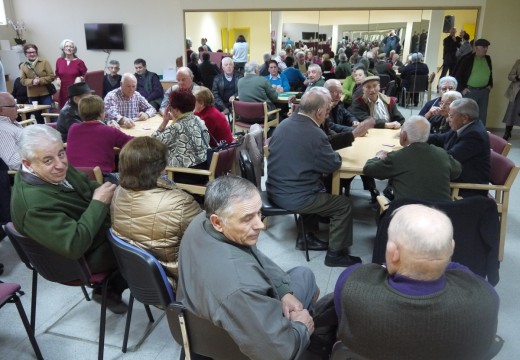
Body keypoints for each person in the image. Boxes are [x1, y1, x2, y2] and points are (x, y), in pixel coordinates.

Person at [177, 175, 318, 359]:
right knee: (305, 276)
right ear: (217, 222)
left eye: (259, 213)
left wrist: (283, 291)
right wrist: (301, 327)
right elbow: (279, 354)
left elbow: (252, 253)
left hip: (203, 321)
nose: (260, 225)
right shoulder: (240, 287)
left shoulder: (200, 222)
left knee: (297, 278)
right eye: (247, 218)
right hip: (237, 342)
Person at [334, 204, 499, 360]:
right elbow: (461, 271)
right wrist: (436, 256)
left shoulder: (352, 283)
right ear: (451, 249)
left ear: (393, 252)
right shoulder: (485, 297)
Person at [10, 124, 128, 314]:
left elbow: (86, 186)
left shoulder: (53, 170)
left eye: (61, 153)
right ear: (28, 163)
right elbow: (74, 245)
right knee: (143, 242)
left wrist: (108, 194)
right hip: (77, 260)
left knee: (143, 222)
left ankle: (112, 287)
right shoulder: (33, 205)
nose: (60, 164)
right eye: (48, 160)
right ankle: (160, 295)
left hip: (92, 236)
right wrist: (99, 204)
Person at [267, 87, 362, 267]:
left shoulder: (283, 124)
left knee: (316, 182)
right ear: (319, 112)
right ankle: (335, 255)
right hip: (293, 196)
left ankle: (307, 237)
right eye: (327, 111)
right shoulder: (315, 133)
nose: (328, 115)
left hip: (274, 189)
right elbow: (333, 164)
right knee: (343, 205)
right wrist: (338, 156)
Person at [111, 137, 201, 288]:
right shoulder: (180, 203)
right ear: (160, 168)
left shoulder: (118, 192)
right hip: (180, 285)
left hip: (141, 281)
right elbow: (208, 237)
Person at [364, 115, 461, 201]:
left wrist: (378, 157)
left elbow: (369, 169)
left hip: (408, 215)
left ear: (404, 136)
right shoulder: (442, 154)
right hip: (442, 214)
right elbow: (457, 171)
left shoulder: (397, 157)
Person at [428, 98, 490, 197]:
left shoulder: (474, 135)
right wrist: (418, 136)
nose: (448, 119)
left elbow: (450, 158)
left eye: (451, 116)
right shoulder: (463, 125)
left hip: (467, 188)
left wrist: (424, 152)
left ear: (465, 118)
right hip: (457, 177)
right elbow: (440, 138)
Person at [66, 95, 133, 182]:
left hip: (72, 178)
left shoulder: (73, 128)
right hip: (100, 179)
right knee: (133, 176)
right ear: (102, 114)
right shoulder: (109, 131)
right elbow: (134, 143)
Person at [152, 90, 209, 182]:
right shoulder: (198, 120)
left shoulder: (177, 127)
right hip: (204, 169)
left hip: (185, 174)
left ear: (177, 109)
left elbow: (152, 143)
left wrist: (164, 122)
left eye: (170, 107)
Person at [453, 38, 493, 127]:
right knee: (468, 115)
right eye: (483, 47)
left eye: (486, 47)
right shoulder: (467, 59)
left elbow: (490, 73)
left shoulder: (488, 59)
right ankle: (467, 133)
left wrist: (490, 85)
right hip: (470, 91)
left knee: (482, 115)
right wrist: (462, 88)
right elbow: (458, 75)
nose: (486, 49)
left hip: (484, 91)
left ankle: (480, 134)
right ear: (476, 48)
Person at [20, 43, 55, 124]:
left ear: (36, 52)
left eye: (34, 52)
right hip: (32, 95)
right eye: (29, 52)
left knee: (49, 114)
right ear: (25, 54)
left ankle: (52, 130)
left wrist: (40, 80)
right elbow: (22, 80)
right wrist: (32, 81)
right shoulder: (23, 66)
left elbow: (51, 76)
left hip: (45, 93)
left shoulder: (44, 62)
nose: (32, 54)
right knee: (37, 116)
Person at [55, 39, 87, 109]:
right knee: (64, 110)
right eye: (66, 46)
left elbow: (85, 75)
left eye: (71, 46)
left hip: (76, 91)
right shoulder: (59, 61)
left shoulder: (79, 62)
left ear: (74, 49)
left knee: (75, 110)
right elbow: (57, 73)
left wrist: (80, 78)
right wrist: (57, 78)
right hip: (63, 90)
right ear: (63, 49)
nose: (69, 48)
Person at [0, 93, 23, 170]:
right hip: (35, 171)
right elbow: (14, 162)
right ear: (0, 110)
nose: (17, 108)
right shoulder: (2, 130)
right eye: (14, 106)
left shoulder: (10, 123)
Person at [502, 58, 520, 140]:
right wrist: (517, 77)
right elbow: (510, 76)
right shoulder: (518, 62)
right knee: (511, 112)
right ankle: (507, 132)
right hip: (517, 92)